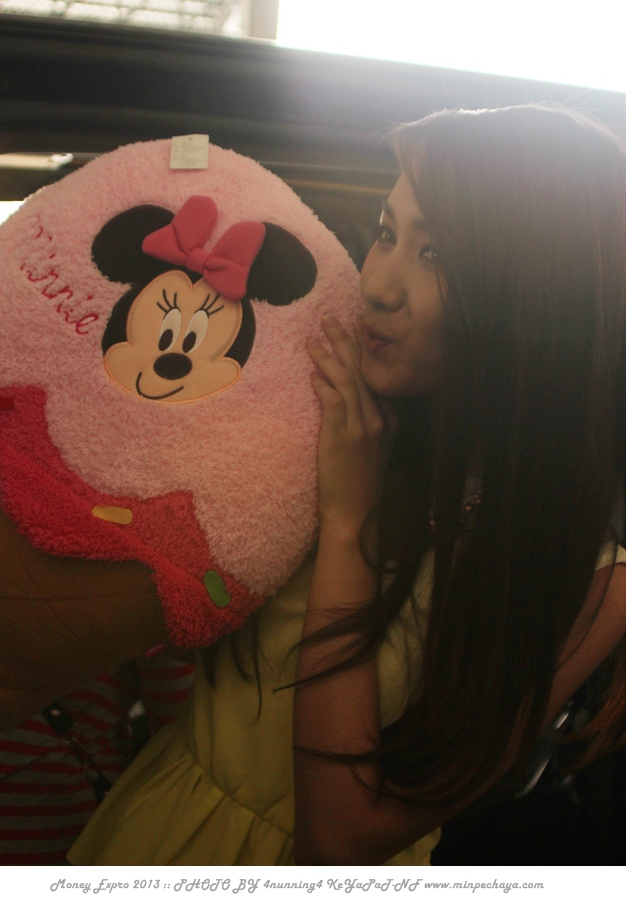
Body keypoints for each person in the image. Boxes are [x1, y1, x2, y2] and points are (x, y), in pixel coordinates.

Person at [67, 104, 626, 866]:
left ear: (536, 301)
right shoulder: (321, 411)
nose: (379, 284)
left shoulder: (588, 578)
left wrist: (345, 523)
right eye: (387, 233)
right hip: (153, 833)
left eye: (436, 254)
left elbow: (343, 836)